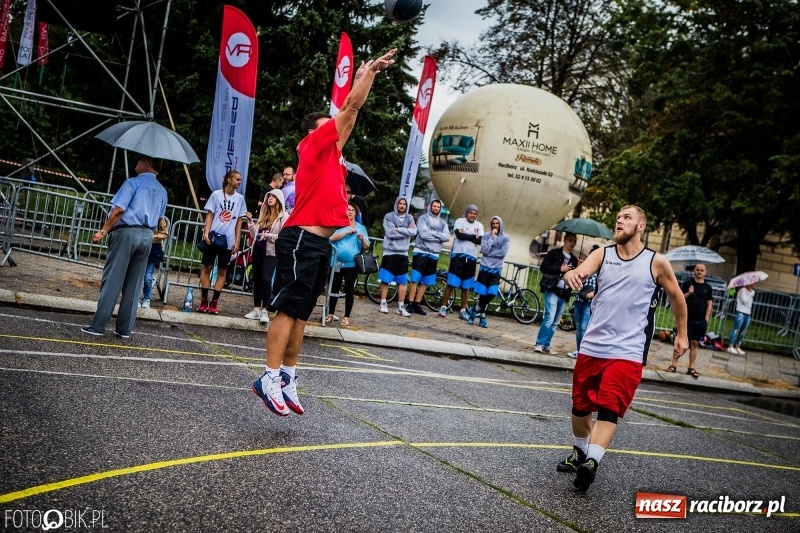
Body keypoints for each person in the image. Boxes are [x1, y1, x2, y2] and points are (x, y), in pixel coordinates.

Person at [252, 48, 397, 417]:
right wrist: (371, 73)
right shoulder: (312, 145)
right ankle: (268, 377)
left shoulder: (333, 154)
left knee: (302, 313)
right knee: (287, 309)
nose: (337, 127)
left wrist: (361, 78)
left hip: (318, 243)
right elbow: (350, 108)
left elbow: (350, 113)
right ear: (314, 132)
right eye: (328, 124)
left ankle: (288, 377)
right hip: (301, 238)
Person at [556, 205, 688, 493]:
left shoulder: (656, 262)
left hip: (628, 350)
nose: (619, 221)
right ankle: (580, 451)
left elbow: (677, 296)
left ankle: (591, 463)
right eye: (618, 217)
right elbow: (579, 271)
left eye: (627, 218)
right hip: (593, 346)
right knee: (580, 407)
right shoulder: (603, 254)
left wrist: (682, 334)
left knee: (609, 407)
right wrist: (571, 275)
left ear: (640, 226)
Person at [81, 155, 167, 338]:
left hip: (126, 232)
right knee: (134, 285)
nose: (136, 165)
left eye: (138, 162)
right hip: (147, 236)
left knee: (113, 280)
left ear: (146, 164)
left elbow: (119, 209)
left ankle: (98, 326)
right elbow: (160, 217)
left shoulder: (132, 183)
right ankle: (124, 329)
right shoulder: (162, 190)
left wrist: (103, 231)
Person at [198, 170, 247, 315]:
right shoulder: (216, 194)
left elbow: (239, 221)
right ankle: (204, 299)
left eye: (240, 180)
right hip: (213, 236)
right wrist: (206, 233)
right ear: (229, 179)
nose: (239, 182)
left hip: (228, 240)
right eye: (237, 179)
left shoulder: (240, 199)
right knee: (207, 267)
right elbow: (210, 215)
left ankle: (214, 301)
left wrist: (237, 240)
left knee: (222, 270)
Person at [245, 188, 288, 324]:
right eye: (268, 196)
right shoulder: (264, 214)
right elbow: (254, 234)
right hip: (258, 249)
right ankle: (257, 308)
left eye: (273, 197)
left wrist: (267, 235)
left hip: (271, 252)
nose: (269, 198)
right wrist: (250, 222)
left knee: (266, 279)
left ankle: (265, 310)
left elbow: (282, 236)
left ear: (279, 200)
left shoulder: (283, 216)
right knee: (257, 279)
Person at [327, 201, 370, 326]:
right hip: (336, 262)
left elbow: (367, 246)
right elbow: (331, 238)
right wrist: (346, 232)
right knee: (334, 288)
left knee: (349, 290)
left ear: (356, 213)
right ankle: (330, 313)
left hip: (352, 264)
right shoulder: (339, 225)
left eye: (352, 210)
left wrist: (362, 239)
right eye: (348, 209)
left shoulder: (361, 228)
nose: (350, 212)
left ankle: (347, 316)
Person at [534, 232, 578, 354]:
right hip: (552, 289)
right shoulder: (554, 253)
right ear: (564, 240)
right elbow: (544, 267)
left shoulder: (574, 260)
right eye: (570, 240)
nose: (572, 243)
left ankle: (546, 344)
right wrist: (560, 268)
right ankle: (540, 343)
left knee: (555, 322)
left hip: (564, 292)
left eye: (574, 241)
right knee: (549, 317)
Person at [439, 204, 484, 319]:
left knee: (466, 286)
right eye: (471, 213)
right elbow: (459, 235)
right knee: (451, 283)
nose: (472, 215)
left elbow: (480, 241)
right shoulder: (460, 221)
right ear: (467, 213)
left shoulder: (479, 225)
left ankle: (463, 310)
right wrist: (473, 236)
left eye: (475, 213)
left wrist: (467, 235)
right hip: (458, 255)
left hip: (471, 257)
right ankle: (443, 306)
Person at [668, 263, 712, 378]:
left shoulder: (708, 287)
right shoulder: (688, 284)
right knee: (680, 342)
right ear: (694, 271)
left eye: (702, 270)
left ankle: (691, 367)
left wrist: (706, 319)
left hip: (700, 320)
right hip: (686, 319)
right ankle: (673, 365)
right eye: (697, 270)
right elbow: (680, 298)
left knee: (694, 343)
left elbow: (709, 304)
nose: (699, 272)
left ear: (705, 272)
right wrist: (689, 293)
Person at [406, 199, 450, 315]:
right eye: (434, 206)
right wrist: (438, 236)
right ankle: (410, 303)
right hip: (421, 252)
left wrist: (432, 233)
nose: (436, 208)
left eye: (438, 207)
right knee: (415, 279)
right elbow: (423, 235)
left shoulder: (443, 223)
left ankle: (417, 304)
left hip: (434, 254)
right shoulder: (423, 219)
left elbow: (447, 237)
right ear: (430, 206)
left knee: (425, 281)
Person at [467, 216, 510, 328]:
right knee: (483, 294)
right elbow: (484, 250)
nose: (495, 225)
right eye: (493, 223)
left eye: (497, 223)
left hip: (496, 269)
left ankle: (475, 309)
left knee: (492, 293)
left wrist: (489, 253)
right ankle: (482, 317)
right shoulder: (486, 236)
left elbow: (502, 253)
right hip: (484, 267)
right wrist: (491, 238)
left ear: (500, 224)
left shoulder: (505, 238)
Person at [378, 197, 417, 316]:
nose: (402, 206)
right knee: (385, 280)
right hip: (390, 252)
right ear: (396, 204)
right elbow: (390, 233)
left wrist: (398, 229)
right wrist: (406, 231)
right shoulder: (389, 216)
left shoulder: (409, 217)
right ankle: (383, 303)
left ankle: (400, 306)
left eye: (404, 204)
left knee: (403, 281)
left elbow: (414, 232)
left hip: (403, 253)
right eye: (400, 203)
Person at [568, 244, 600, 358]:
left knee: (584, 327)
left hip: (590, 303)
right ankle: (579, 350)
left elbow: (604, 288)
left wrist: (593, 293)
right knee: (578, 327)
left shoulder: (601, 271)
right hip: (579, 299)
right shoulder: (584, 267)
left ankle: (584, 352)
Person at [139, 216, 168, 309]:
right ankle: (136, 298)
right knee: (137, 276)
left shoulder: (159, 217)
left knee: (148, 277)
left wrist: (151, 237)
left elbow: (164, 233)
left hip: (153, 248)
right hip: (139, 246)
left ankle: (146, 299)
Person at [727, 283, 755, 355]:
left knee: (743, 331)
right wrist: (749, 294)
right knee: (736, 329)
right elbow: (744, 301)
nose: (754, 284)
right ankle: (730, 346)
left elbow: (750, 303)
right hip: (740, 312)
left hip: (748, 313)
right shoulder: (742, 290)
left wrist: (750, 293)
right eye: (752, 282)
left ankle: (738, 346)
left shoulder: (753, 291)